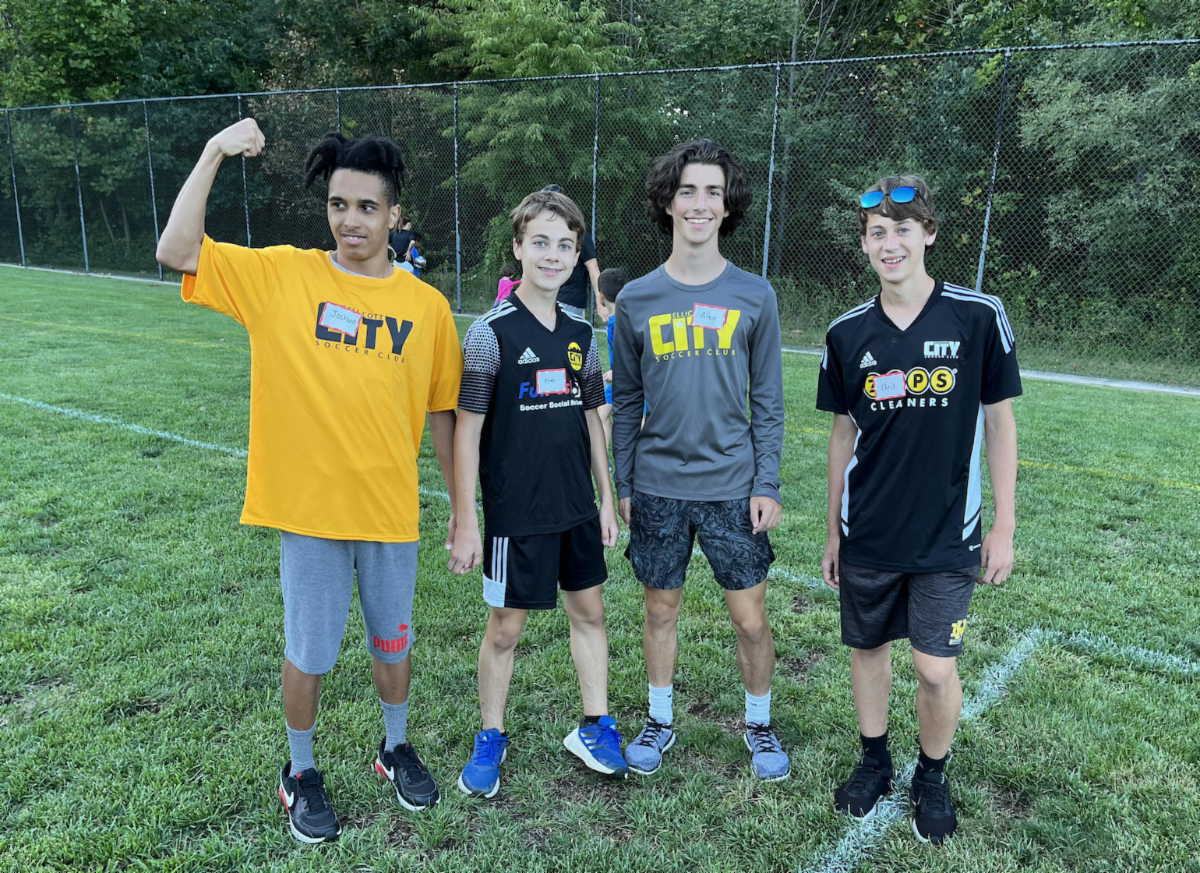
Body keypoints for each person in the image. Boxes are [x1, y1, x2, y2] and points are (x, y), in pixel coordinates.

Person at [155, 121, 463, 844]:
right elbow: (176, 250)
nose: (350, 221)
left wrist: (461, 510)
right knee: (312, 652)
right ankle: (300, 769)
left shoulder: (427, 307)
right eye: (337, 205)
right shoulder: (283, 277)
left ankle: (394, 748)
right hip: (311, 515)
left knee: (393, 645)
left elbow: (443, 415)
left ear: (394, 215)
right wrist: (214, 151)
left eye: (366, 207)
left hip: (389, 513)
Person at [817, 176, 1020, 845]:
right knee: (868, 650)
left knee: (934, 667)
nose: (890, 242)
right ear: (864, 244)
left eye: (903, 228)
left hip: (947, 534)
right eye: (877, 232)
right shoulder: (846, 332)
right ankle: (875, 759)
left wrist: (1003, 525)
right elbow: (842, 434)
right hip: (869, 530)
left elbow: (1000, 423)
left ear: (928, 234)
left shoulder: (977, 316)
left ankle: (932, 773)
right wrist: (832, 530)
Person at [611, 140, 788, 781]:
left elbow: (768, 401)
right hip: (658, 485)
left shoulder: (754, 295)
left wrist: (766, 482)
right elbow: (625, 402)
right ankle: (659, 720)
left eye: (713, 191)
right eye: (687, 190)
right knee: (660, 610)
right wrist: (624, 481)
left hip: (733, 487)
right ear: (667, 201)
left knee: (750, 618)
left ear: (728, 205)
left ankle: (759, 724)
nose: (700, 203)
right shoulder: (635, 299)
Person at [449, 188, 626, 798]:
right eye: (541, 243)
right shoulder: (489, 333)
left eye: (565, 245)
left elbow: (593, 417)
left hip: (575, 505)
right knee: (505, 628)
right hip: (515, 511)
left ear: (577, 257)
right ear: (519, 248)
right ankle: (490, 735)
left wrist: (606, 497)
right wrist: (467, 518)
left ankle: (594, 725)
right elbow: (467, 431)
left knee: (590, 614)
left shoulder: (581, 331)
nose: (553, 255)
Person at [541, 184, 599, 320]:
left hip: (568, 298)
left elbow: (593, 266)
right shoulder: (545, 233)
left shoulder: (577, 232)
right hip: (550, 296)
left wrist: (599, 298)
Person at [595, 267, 627, 455]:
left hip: (630, 381)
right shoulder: (617, 320)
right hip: (618, 382)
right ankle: (603, 461)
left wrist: (618, 373)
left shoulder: (620, 323)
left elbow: (636, 355)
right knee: (601, 414)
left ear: (600, 296)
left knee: (640, 422)